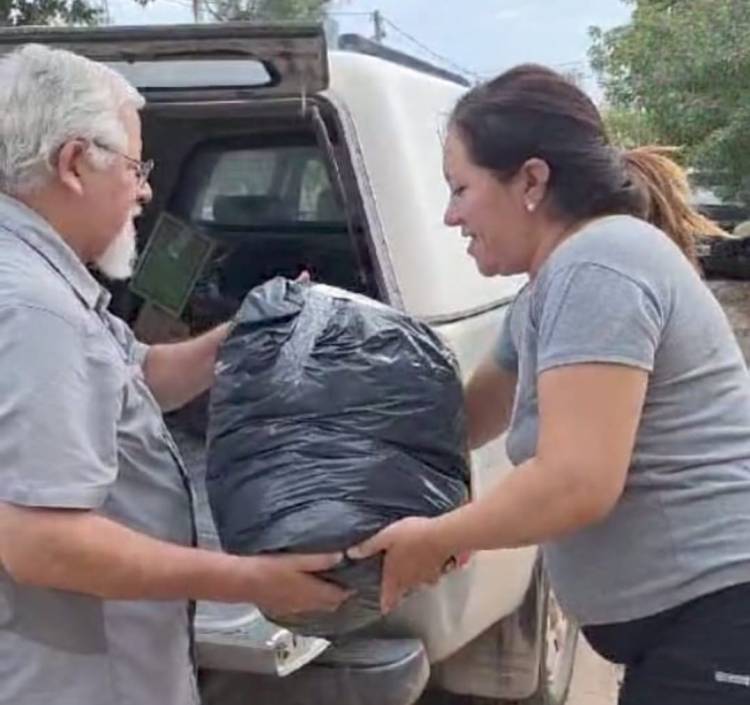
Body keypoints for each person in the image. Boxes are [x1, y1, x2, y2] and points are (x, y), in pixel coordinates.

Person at [351, 64, 750, 704]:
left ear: (531, 180)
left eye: (460, 188)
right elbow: (463, 417)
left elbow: (575, 481)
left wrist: (440, 539)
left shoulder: (601, 265)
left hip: (721, 625)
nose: (452, 216)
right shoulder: (546, 291)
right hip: (690, 632)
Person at [0, 44, 348, 705]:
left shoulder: (43, 280)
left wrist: (248, 330)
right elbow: (39, 540)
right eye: (135, 166)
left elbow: (139, 378)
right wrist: (249, 579)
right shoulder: (32, 307)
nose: (146, 190)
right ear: (74, 163)